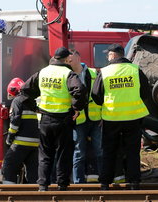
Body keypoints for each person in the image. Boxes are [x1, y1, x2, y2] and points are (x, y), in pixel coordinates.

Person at [21, 47, 87, 191]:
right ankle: (62, 185)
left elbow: (24, 90)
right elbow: (80, 90)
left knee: (45, 154)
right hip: (64, 119)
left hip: (45, 119)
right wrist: (76, 108)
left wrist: (34, 107)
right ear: (66, 59)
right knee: (64, 153)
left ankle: (43, 185)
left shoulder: (43, 72)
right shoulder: (68, 73)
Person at [91, 43, 151, 190]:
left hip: (111, 118)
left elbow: (95, 94)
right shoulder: (135, 70)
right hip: (133, 117)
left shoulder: (105, 72)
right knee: (132, 152)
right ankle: (134, 182)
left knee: (109, 151)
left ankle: (105, 183)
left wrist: (106, 103)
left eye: (108, 55)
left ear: (112, 55)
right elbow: (146, 93)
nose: (107, 57)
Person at [69, 50, 103, 184]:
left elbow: (103, 95)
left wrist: (103, 116)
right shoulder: (68, 75)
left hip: (96, 119)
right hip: (79, 120)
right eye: (67, 61)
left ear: (78, 58)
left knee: (100, 151)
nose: (68, 63)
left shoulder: (94, 73)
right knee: (78, 153)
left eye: (70, 60)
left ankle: (104, 180)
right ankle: (78, 182)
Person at [2, 78, 40, 184]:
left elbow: (15, 121)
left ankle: (9, 193)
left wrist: (10, 137)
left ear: (14, 90)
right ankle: (33, 196)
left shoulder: (17, 101)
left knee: (8, 165)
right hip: (35, 143)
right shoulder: (32, 101)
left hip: (21, 142)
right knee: (33, 172)